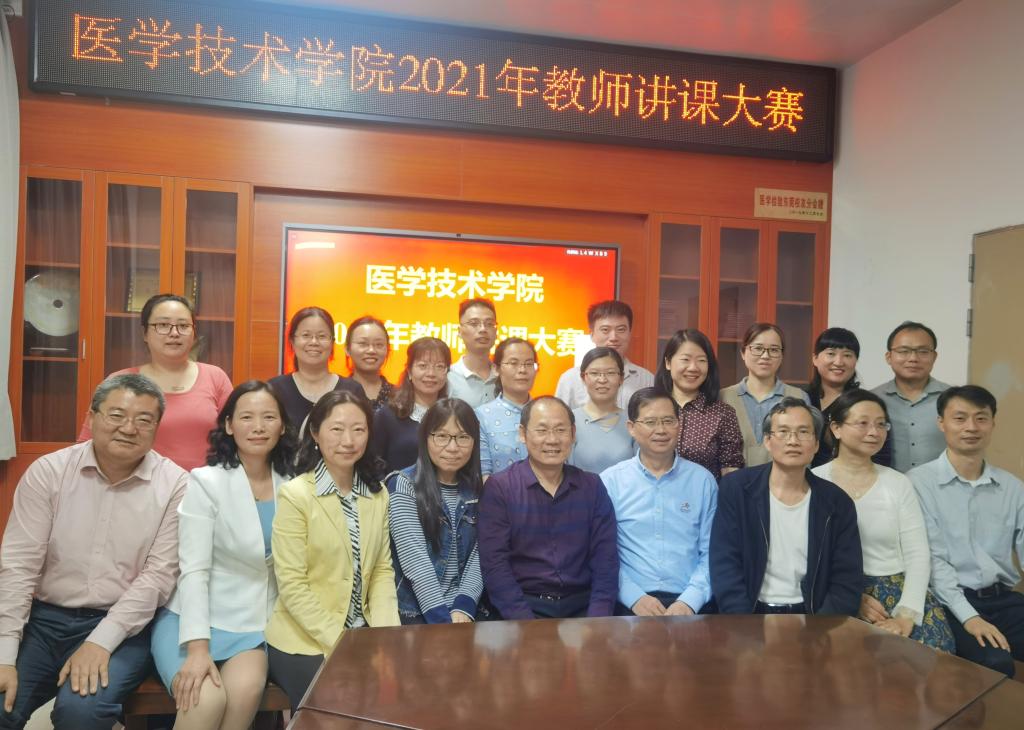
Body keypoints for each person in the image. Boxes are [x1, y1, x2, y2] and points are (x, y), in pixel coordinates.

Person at [0, 374, 187, 730]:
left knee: (81, 713)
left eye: (144, 420)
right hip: (42, 620)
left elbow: (158, 577)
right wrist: (4, 655)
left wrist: (100, 642)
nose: (128, 428)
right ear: (91, 416)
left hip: (124, 627)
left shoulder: (175, 485)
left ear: (156, 428)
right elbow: (19, 566)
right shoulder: (49, 472)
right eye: (116, 415)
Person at [150, 380, 298, 728]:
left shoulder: (294, 483)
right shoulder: (206, 482)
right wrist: (198, 649)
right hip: (193, 619)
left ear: (282, 426)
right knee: (205, 701)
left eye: (268, 417)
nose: (258, 427)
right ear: (229, 425)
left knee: (246, 691)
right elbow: (194, 570)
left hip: (253, 622)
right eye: (246, 417)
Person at [265, 390, 399, 711]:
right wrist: (340, 640)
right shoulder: (296, 495)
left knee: (393, 695)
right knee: (335, 705)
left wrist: (386, 636)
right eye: (336, 429)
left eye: (358, 429)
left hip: (363, 632)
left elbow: (382, 571)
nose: (348, 440)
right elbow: (292, 584)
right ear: (315, 432)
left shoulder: (377, 495)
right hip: (305, 638)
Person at [812, 389, 954, 652]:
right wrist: (850, 597)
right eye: (863, 423)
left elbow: (917, 553)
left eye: (881, 424)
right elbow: (807, 555)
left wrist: (905, 615)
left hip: (897, 589)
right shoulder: (815, 482)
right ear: (836, 428)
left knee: (930, 657)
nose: (874, 432)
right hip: (834, 590)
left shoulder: (898, 483)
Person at [909, 385, 1024, 677]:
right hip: (949, 601)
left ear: (993, 423)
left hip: (1004, 599)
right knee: (995, 664)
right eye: (960, 418)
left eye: (981, 418)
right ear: (941, 423)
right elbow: (933, 561)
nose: (971, 427)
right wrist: (970, 617)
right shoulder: (918, 483)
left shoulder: (1012, 487)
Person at [710, 397, 862, 615]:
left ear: (816, 444)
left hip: (812, 616)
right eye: (783, 432)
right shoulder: (737, 490)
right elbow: (724, 564)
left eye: (803, 432)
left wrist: (821, 628)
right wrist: (743, 624)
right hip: (749, 614)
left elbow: (846, 579)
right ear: (767, 441)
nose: (793, 441)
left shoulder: (837, 502)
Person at [478, 397, 619, 619]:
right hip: (524, 606)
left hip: (583, 607)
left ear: (573, 433)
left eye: (561, 430)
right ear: (522, 434)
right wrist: (526, 624)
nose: (552, 440)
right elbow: (495, 565)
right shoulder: (501, 488)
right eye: (542, 430)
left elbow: (606, 560)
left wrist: (597, 619)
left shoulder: (591, 486)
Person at [79, 293, 232, 471]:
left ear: (194, 333)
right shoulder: (120, 382)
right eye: (163, 325)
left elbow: (235, 436)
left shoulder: (215, 377)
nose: (174, 333)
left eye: (183, 326)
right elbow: (87, 443)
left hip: (205, 484)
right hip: (139, 483)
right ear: (145, 333)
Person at [601, 388, 717, 616]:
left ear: (679, 424)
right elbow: (603, 554)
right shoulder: (610, 481)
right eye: (650, 422)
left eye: (668, 421)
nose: (661, 430)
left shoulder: (702, 481)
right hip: (630, 605)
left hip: (691, 604)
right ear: (631, 428)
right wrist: (634, 598)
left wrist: (689, 601)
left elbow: (712, 552)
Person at [385, 399, 486, 624]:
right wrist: (443, 623)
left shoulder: (478, 490)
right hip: (418, 612)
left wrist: (464, 607)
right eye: (441, 436)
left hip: (467, 610)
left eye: (463, 437)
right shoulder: (403, 485)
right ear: (425, 438)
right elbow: (415, 564)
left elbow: (481, 556)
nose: (452, 447)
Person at [720, 323, 811, 467]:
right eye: (758, 348)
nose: (765, 356)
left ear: (782, 356)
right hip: (734, 480)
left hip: (785, 480)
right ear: (743, 353)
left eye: (774, 350)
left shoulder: (799, 397)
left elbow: (805, 451)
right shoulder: (724, 397)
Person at [655, 329, 744, 478]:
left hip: (706, 492)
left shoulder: (723, 413)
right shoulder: (651, 408)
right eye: (685, 359)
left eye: (701, 360)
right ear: (668, 362)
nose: (693, 368)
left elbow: (730, 469)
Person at [807, 327, 892, 468]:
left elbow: (881, 455)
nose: (839, 362)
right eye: (831, 354)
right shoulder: (803, 399)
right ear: (815, 359)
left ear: (855, 361)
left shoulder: (866, 403)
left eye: (847, 355)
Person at [269, 307, 364, 431]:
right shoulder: (275, 389)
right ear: (292, 341)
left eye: (322, 336)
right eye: (306, 335)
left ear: (332, 342)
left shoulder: (352, 390)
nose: (314, 342)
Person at [872, 321, 950, 473]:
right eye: (904, 351)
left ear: (934, 356)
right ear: (889, 357)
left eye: (923, 351)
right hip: (886, 485)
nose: (913, 358)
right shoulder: (872, 400)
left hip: (939, 485)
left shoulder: (953, 399)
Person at [554, 300, 654, 410]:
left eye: (621, 330)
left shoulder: (646, 379)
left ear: (629, 334)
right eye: (605, 330)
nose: (613, 337)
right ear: (592, 335)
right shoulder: (570, 379)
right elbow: (558, 418)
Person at [372, 337, 451, 473]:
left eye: (439, 366)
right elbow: (374, 463)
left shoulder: (452, 415)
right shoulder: (388, 415)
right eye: (423, 366)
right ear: (409, 371)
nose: (431, 374)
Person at [476, 338, 537, 478]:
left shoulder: (550, 413)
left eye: (529, 364)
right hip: (498, 491)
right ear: (496, 369)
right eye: (513, 363)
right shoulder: (482, 416)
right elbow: (483, 472)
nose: (522, 370)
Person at [569, 347, 634, 475]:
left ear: (621, 378)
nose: (602, 380)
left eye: (610, 373)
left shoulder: (634, 422)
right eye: (594, 373)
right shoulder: (570, 421)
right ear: (583, 377)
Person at [447, 298, 499, 407]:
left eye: (489, 324)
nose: (483, 329)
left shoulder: (504, 376)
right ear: (459, 331)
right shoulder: (448, 377)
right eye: (474, 323)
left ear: (496, 332)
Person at [344, 315, 393, 411]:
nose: (371, 350)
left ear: (387, 349)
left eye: (379, 344)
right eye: (363, 344)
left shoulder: (399, 396)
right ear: (347, 349)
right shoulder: (337, 392)